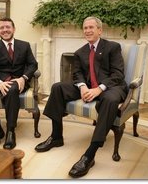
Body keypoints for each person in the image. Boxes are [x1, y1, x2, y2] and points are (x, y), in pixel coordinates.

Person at [35, 16, 127, 177]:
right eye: (85, 28)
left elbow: (118, 74)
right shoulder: (80, 52)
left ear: (100, 30)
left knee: (110, 100)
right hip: (89, 87)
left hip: (111, 87)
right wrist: (83, 87)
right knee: (57, 88)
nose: (88, 31)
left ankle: (90, 155)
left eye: (91, 27)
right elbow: (77, 74)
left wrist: (99, 89)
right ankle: (56, 136)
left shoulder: (113, 47)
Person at [0, 18, 38, 150]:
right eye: (2, 28)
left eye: (8, 27)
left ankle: (10, 131)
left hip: (16, 80)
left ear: (14, 29)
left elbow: (33, 64)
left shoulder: (24, 45)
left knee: (12, 89)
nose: (5, 30)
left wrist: (23, 78)